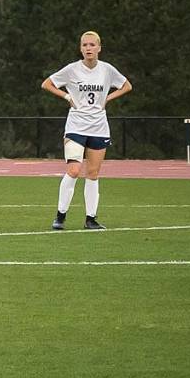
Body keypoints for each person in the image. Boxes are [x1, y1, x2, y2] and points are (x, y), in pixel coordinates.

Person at [41, 31, 132, 230]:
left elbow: (126, 86)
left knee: (92, 173)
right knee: (74, 170)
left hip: (99, 127)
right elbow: (47, 84)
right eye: (85, 45)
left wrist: (108, 98)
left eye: (92, 45)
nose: (88, 48)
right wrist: (66, 97)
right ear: (80, 48)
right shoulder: (72, 70)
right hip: (76, 126)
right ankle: (60, 216)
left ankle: (90, 219)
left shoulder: (107, 70)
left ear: (99, 48)